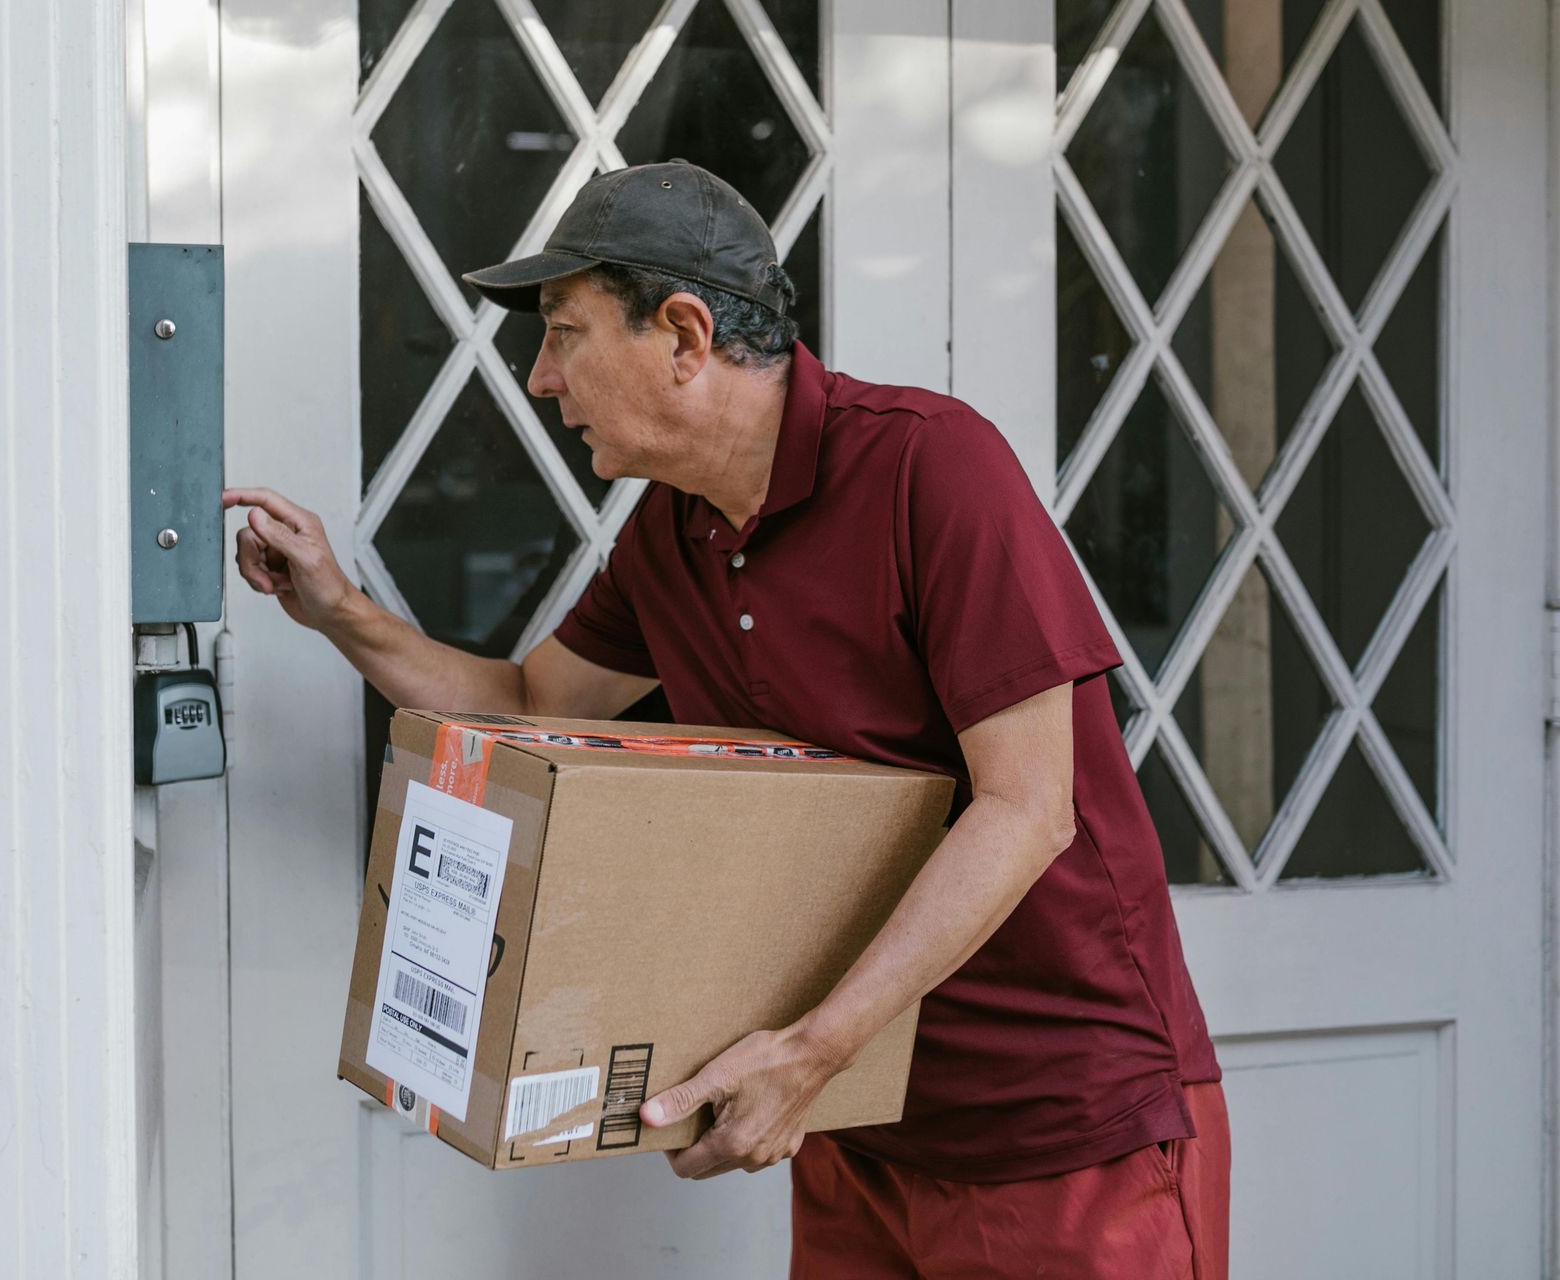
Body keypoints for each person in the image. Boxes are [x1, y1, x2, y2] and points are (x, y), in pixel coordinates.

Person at [225, 160, 1228, 1279]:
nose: (542, 377)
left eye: (565, 331)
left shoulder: (930, 468)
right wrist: (338, 610)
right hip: (856, 1118)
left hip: (1057, 1125)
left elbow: (1028, 805)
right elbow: (528, 707)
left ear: (686, 333)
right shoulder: (674, 532)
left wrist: (808, 1051)